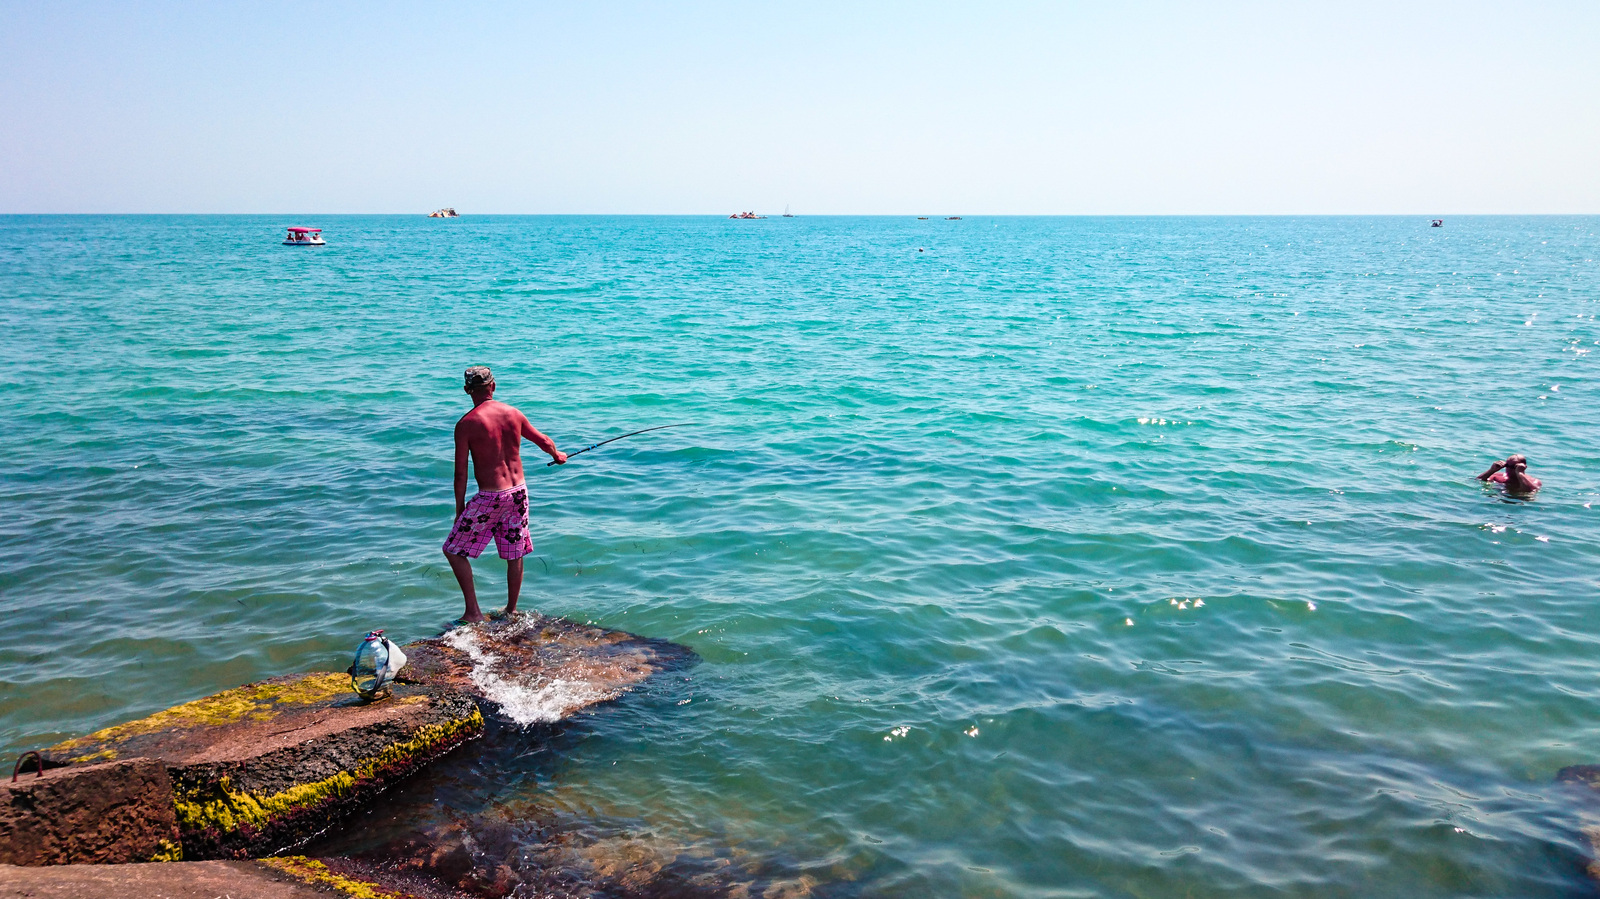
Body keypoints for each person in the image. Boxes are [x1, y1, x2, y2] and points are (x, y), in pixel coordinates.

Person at [443, 366, 566, 624]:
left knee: (453, 550)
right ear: (493, 386)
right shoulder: (513, 413)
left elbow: (460, 475)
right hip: (518, 493)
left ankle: (473, 612)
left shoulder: (466, 425)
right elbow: (543, 440)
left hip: (490, 497)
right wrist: (557, 455)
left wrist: (459, 510)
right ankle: (511, 610)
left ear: (467, 391)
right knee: (515, 552)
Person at [1476, 454, 1541, 495]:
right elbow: (1477, 481)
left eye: (1514, 467)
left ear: (1524, 467)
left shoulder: (1534, 481)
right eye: (1507, 466)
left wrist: (1520, 473)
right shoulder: (1497, 477)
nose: (1509, 469)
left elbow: (1529, 490)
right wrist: (1491, 470)